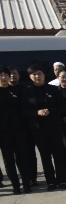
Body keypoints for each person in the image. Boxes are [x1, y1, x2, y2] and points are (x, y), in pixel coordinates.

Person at [21, 65, 66, 190]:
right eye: (34, 74)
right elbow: (23, 110)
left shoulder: (53, 89)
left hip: (54, 127)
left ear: (44, 75)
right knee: (45, 156)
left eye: (40, 73)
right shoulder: (26, 92)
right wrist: (36, 112)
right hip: (38, 128)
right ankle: (50, 181)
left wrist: (49, 110)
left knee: (58, 154)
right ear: (30, 77)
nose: (37, 76)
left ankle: (62, 180)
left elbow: (61, 107)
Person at [0, 65, 31, 194]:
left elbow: (24, 108)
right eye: (1, 75)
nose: (3, 77)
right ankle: (15, 185)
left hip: (19, 129)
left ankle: (26, 184)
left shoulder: (17, 91)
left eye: (6, 75)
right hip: (3, 131)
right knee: (8, 159)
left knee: (22, 157)